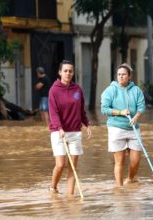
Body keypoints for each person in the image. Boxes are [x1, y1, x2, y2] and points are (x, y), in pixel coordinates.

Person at [48, 60, 92, 195]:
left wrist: (87, 124)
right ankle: (53, 187)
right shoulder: (54, 90)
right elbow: (53, 112)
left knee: (72, 167)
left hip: (75, 132)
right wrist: (60, 128)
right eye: (65, 71)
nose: (68, 73)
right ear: (60, 72)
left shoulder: (77, 90)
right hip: (58, 132)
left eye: (70, 71)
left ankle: (70, 196)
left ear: (73, 73)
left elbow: (81, 110)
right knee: (61, 164)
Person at [101, 63, 146, 187]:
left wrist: (136, 117)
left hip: (133, 129)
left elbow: (141, 107)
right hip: (116, 128)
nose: (121, 77)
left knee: (135, 160)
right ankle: (119, 188)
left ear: (129, 76)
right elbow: (104, 109)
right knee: (119, 161)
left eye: (124, 74)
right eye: (119, 74)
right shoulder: (110, 90)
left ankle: (130, 179)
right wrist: (120, 112)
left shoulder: (136, 90)